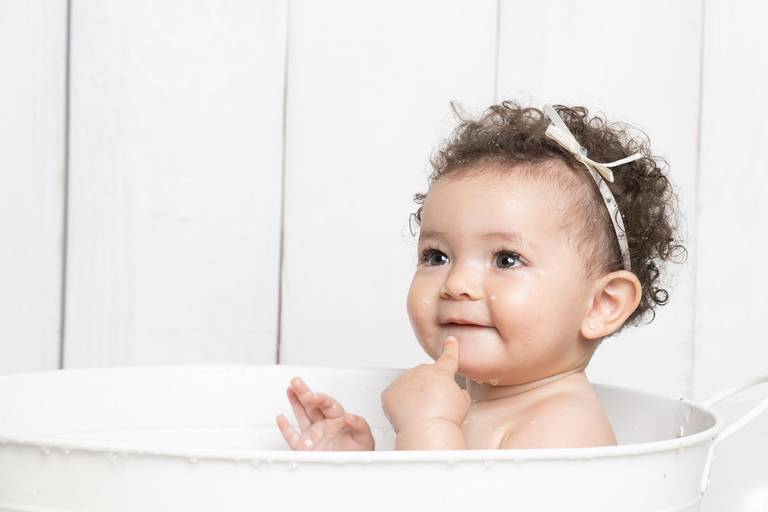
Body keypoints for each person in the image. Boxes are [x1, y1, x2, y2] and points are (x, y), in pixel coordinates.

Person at [275, 101, 686, 451]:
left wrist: (425, 428)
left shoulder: (564, 429)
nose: (456, 284)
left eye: (506, 259)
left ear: (601, 304)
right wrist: (357, 466)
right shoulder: (460, 402)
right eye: (437, 256)